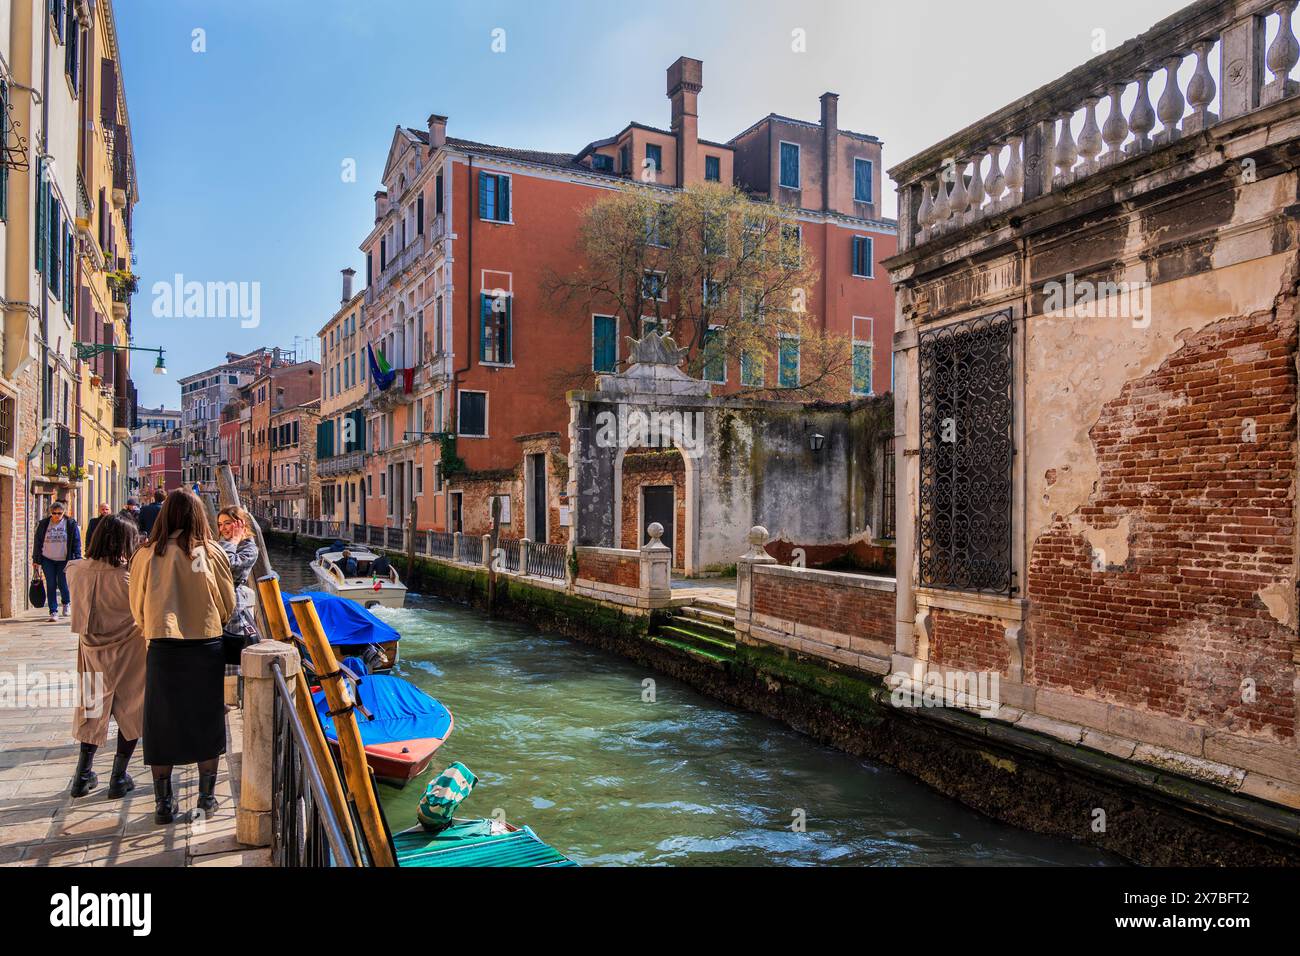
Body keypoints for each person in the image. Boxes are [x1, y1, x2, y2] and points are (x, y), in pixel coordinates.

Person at [129, 490, 235, 825]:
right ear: (198, 516)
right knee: (207, 720)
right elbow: (227, 603)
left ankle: (163, 804)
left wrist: (154, 628)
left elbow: (137, 604)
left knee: (161, 722)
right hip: (205, 645)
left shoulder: (146, 555)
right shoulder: (210, 552)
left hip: (163, 646)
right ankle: (206, 798)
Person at [65, 515, 146, 799]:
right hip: (131, 651)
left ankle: (82, 775)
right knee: (132, 711)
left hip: (91, 652)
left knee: (91, 709)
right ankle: (118, 777)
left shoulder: (74, 570)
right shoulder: (129, 577)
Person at [217, 505, 260, 677]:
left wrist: (232, 542)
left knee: (231, 662)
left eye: (227, 523)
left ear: (240, 523)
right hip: (217, 603)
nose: (223, 528)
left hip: (233, 607)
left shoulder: (250, 549)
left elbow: (228, 566)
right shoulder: (221, 544)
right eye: (220, 524)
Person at [33, 501, 82, 621]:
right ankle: (53, 611)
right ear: (51, 513)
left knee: (62, 583)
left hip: (64, 559)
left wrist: (78, 558)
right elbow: (38, 542)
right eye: (54, 513)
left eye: (59, 513)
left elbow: (76, 542)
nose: (56, 515)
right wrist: (36, 559)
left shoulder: (70, 524)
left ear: (63, 513)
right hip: (47, 558)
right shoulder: (44, 524)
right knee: (51, 584)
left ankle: (66, 602)